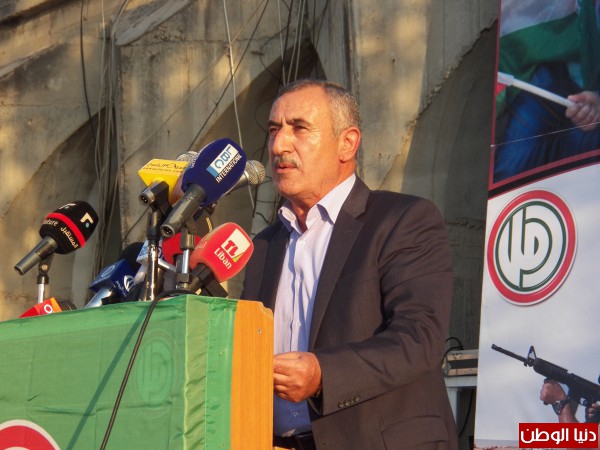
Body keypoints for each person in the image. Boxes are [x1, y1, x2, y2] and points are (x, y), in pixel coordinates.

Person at [241, 79, 459, 450]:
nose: (278, 146)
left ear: (347, 143)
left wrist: (322, 374)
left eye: (299, 128)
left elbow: (419, 338)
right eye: (274, 129)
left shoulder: (403, 220)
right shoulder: (262, 246)